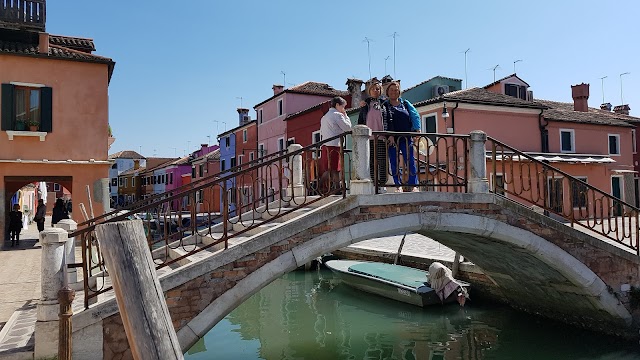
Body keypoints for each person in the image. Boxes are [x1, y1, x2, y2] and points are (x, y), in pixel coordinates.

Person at [383, 81, 421, 192]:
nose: (394, 92)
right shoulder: (385, 105)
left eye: (396, 90)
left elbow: (415, 115)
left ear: (399, 92)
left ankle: (413, 185)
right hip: (392, 138)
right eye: (391, 90)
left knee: (410, 161)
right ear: (387, 92)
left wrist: (417, 130)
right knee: (394, 162)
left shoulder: (405, 104)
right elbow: (384, 121)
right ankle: (397, 185)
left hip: (406, 137)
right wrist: (389, 135)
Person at [357, 79, 388, 187]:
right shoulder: (365, 105)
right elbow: (360, 122)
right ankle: (374, 184)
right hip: (368, 139)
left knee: (382, 162)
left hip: (381, 138)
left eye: (378, 89)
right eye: (374, 88)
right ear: (370, 91)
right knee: (370, 162)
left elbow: (388, 120)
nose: (376, 90)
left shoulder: (385, 104)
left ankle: (382, 184)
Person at [319, 96, 352, 193]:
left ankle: (335, 188)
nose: (344, 109)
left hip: (325, 144)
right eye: (343, 107)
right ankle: (334, 188)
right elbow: (348, 127)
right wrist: (345, 115)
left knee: (330, 168)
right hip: (334, 145)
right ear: (337, 105)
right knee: (335, 168)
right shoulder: (337, 115)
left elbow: (321, 132)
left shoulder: (324, 117)